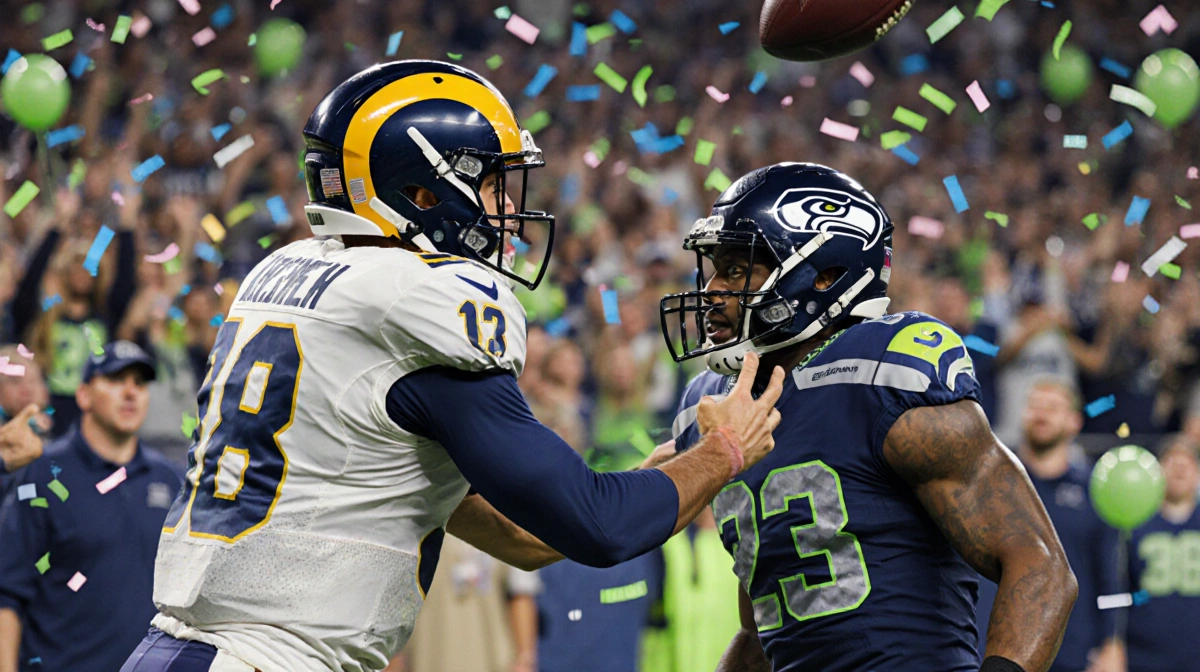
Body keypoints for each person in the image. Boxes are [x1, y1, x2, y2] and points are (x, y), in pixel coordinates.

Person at [121, 60, 783, 672]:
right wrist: (724, 449)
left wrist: (658, 475)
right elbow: (599, 527)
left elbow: (522, 534)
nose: (508, 209)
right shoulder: (420, 301)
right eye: (491, 185)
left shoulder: (288, 270)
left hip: (186, 649)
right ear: (421, 192)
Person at [658, 163, 1076, 672]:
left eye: (736, 270)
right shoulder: (715, 405)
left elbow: (1039, 565)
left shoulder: (881, 372)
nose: (712, 290)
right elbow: (761, 630)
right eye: (714, 269)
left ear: (824, 275)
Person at [0, 340, 184, 672]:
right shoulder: (43, 473)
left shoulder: (170, 480)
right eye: (115, 380)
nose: (130, 392)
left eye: (140, 383)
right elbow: (8, 593)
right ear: (83, 395)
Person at [975, 378, 1123, 672]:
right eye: (1034, 406)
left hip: (1073, 651)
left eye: (1052, 408)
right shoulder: (993, 479)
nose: (1040, 414)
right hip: (997, 648)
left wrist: (1112, 642)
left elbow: (1110, 576)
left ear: (1074, 421)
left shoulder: (1095, 491)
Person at [1126, 436, 1200, 672]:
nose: (1179, 470)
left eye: (1186, 464)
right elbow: (1118, 589)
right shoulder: (1133, 523)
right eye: (1172, 463)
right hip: (1142, 655)